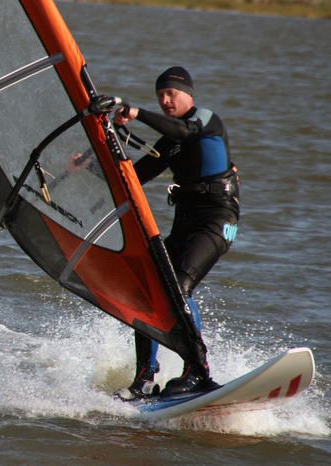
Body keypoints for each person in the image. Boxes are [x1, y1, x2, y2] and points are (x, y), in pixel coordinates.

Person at [112, 66, 240, 400]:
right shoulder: (168, 143)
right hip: (184, 223)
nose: (166, 100)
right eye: (160, 96)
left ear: (188, 95)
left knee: (178, 290)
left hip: (216, 221)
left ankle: (197, 372)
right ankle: (143, 377)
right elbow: (132, 178)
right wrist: (92, 157)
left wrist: (138, 112)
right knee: (147, 290)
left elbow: (185, 131)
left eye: (171, 94)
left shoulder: (206, 120)